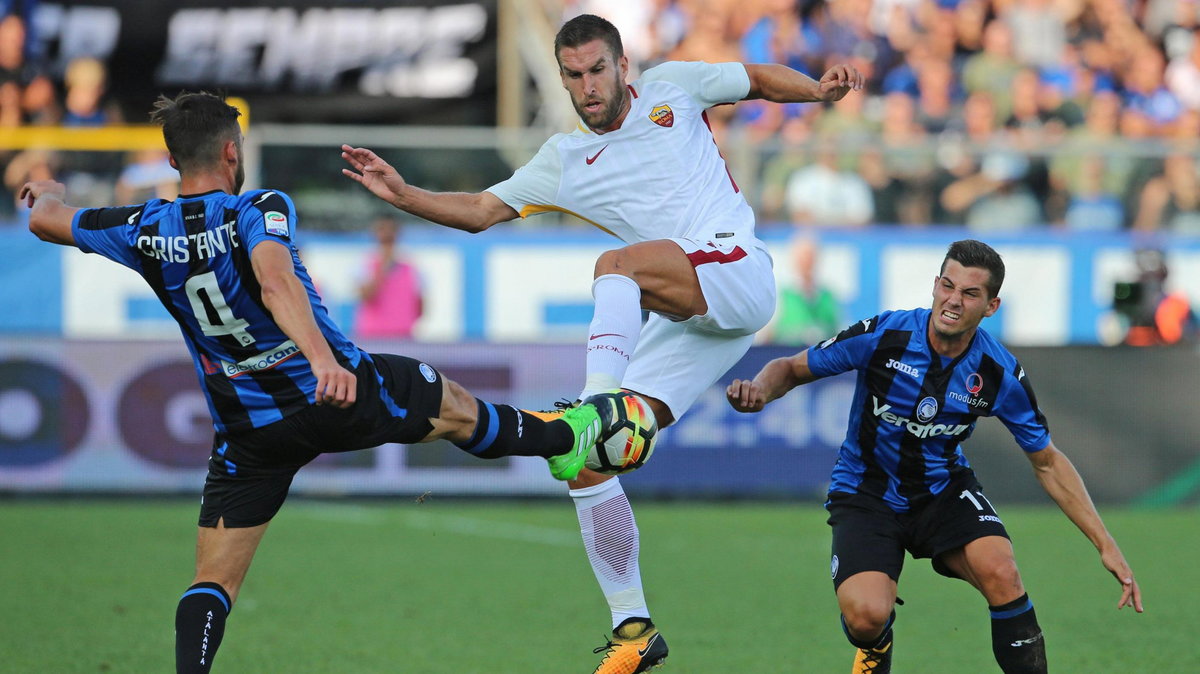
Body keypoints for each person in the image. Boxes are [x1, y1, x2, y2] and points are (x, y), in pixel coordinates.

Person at [341, 13, 863, 672]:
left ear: (622, 65)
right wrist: (403, 193)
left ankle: (593, 407)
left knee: (615, 270)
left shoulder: (674, 86)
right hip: (689, 321)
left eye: (597, 69)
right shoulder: (562, 162)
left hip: (739, 272)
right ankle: (633, 630)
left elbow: (755, 77)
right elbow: (479, 211)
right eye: (573, 75)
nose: (587, 86)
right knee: (587, 466)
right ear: (562, 79)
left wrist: (816, 90)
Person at [19, 91, 608, 674]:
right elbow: (275, 281)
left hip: (250, 434)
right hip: (336, 393)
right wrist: (322, 360)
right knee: (454, 408)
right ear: (231, 152)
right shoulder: (257, 208)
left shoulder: (142, 227)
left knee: (213, 581)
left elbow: (46, 221)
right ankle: (566, 441)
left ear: (173, 162)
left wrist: (48, 191)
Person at [727, 240, 1143, 674]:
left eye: (969, 294)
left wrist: (1105, 543)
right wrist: (760, 391)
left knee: (1002, 572)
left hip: (943, 492)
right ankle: (876, 644)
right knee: (867, 616)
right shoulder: (885, 334)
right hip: (866, 493)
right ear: (935, 285)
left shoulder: (998, 372)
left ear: (991, 306)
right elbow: (792, 368)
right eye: (948, 285)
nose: (953, 300)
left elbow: (1048, 461)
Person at [353, 216, 423, 339]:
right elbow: (366, 296)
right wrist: (382, 268)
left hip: (402, 336)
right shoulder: (364, 265)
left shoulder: (412, 267)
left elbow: (420, 306)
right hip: (372, 337)